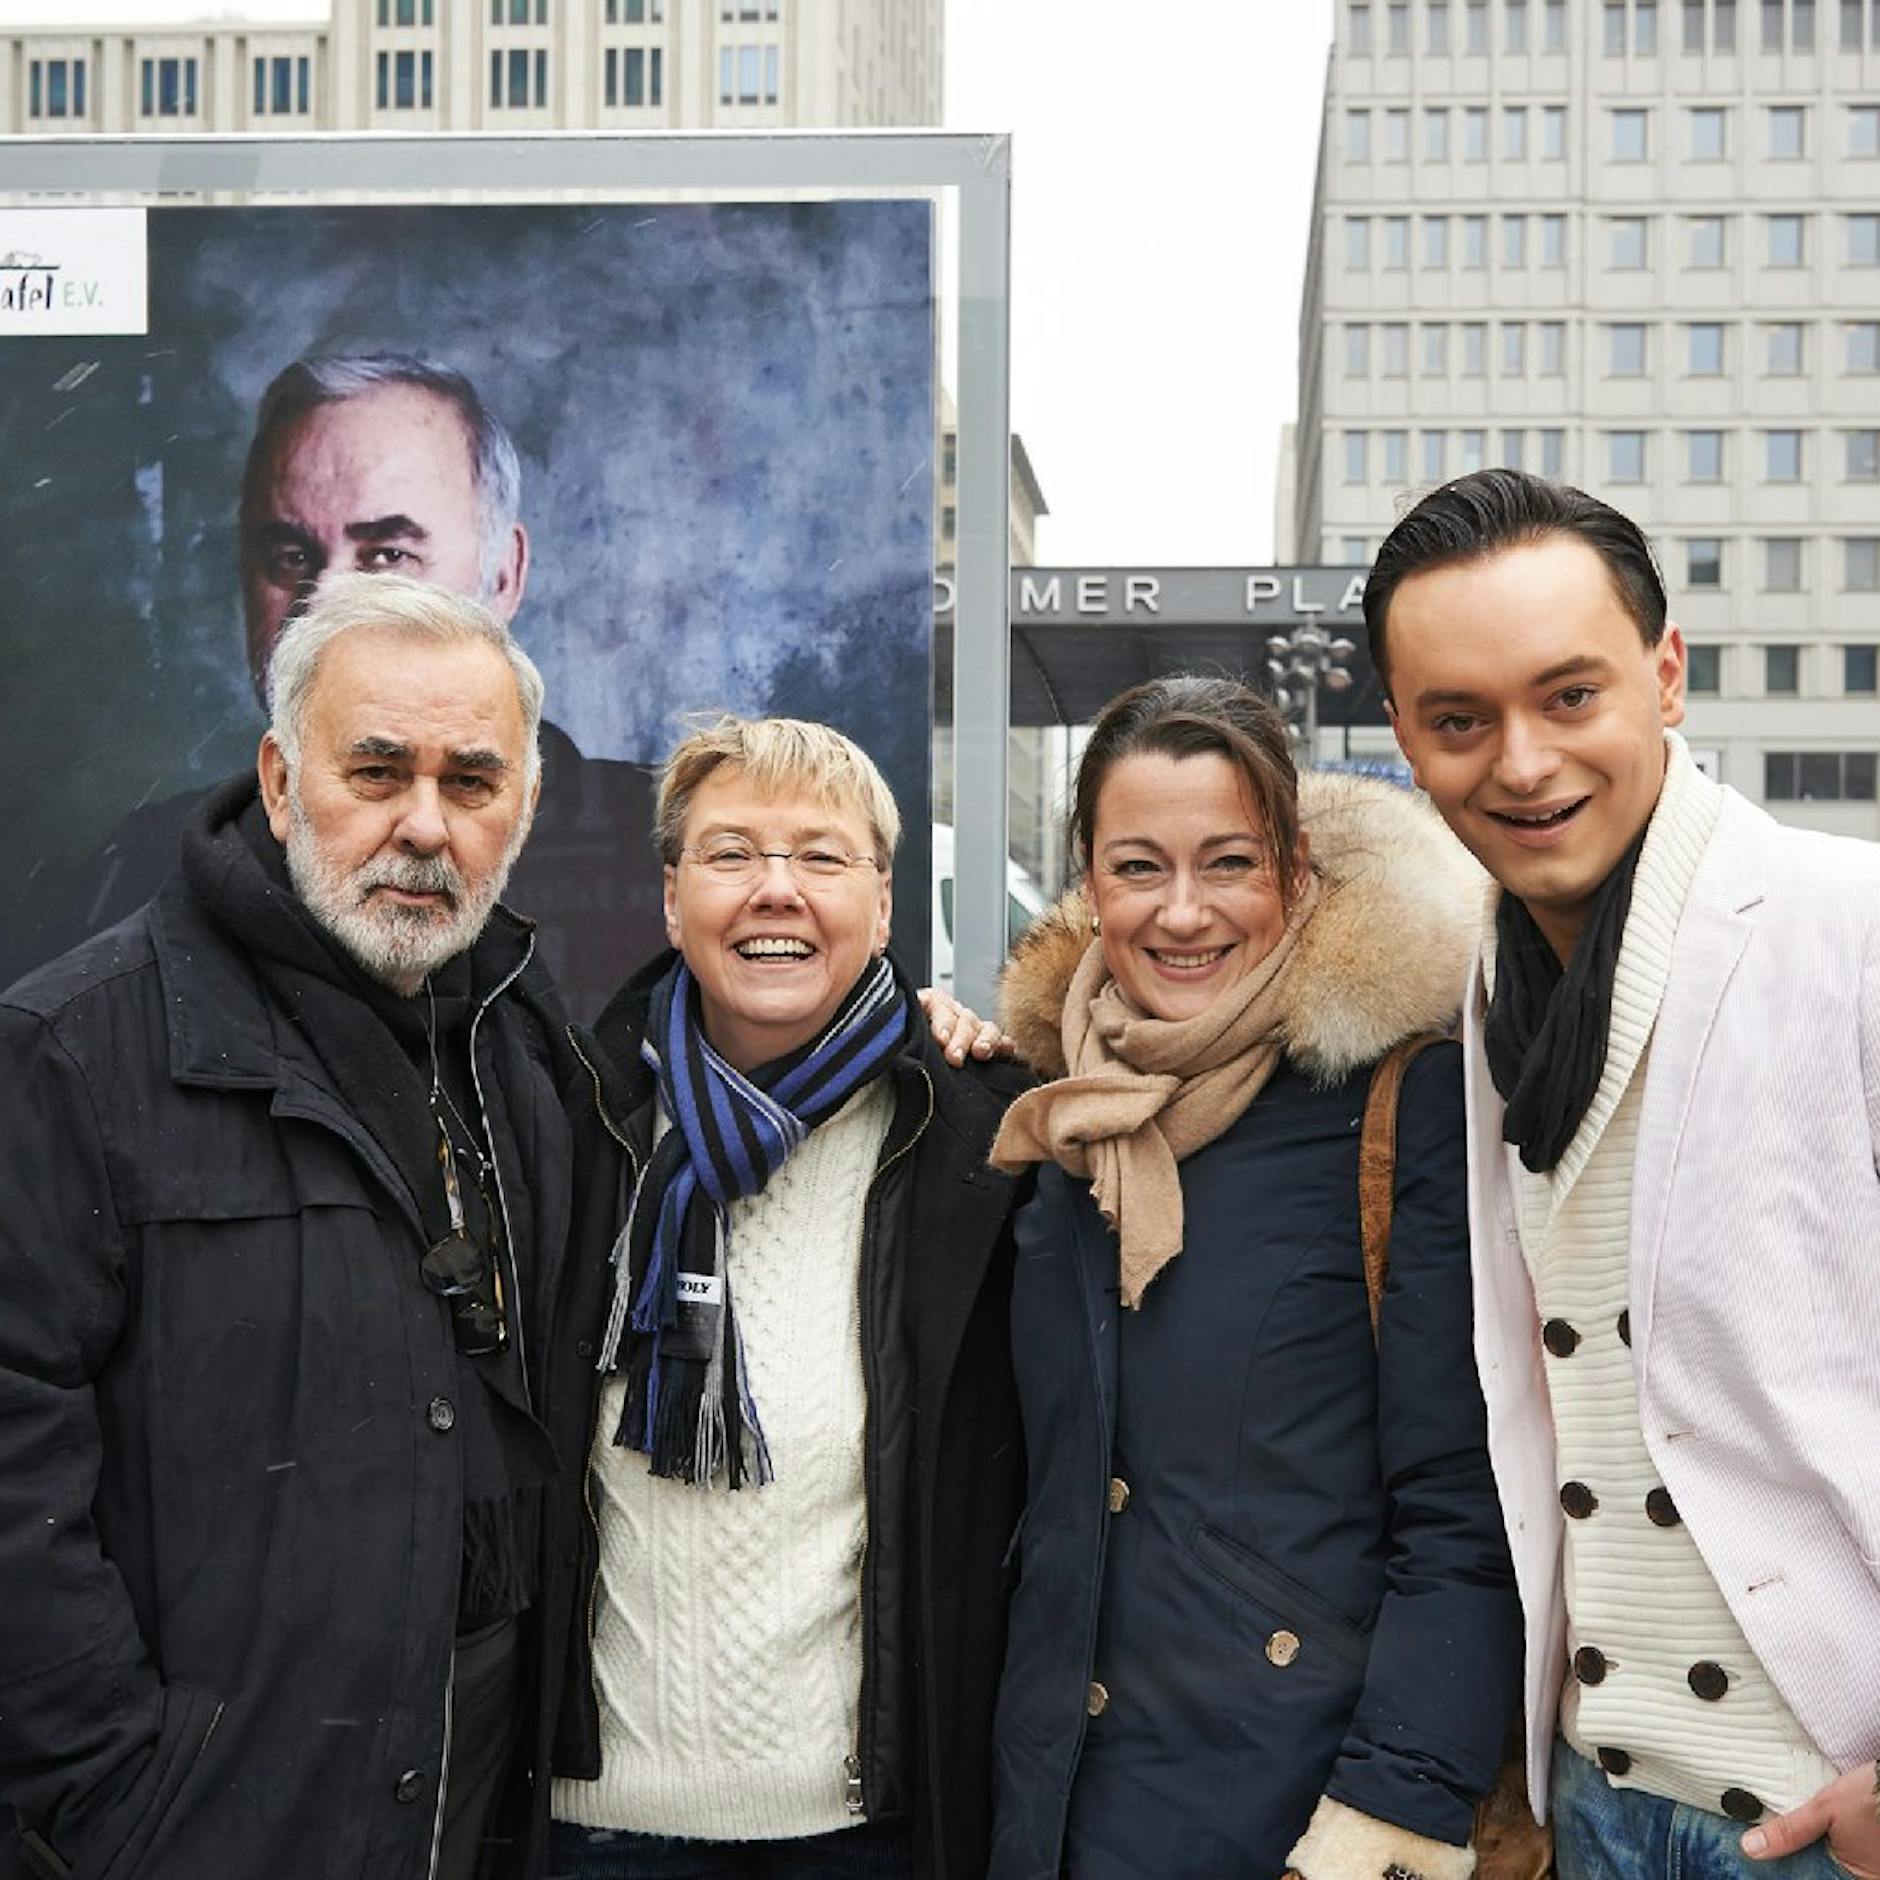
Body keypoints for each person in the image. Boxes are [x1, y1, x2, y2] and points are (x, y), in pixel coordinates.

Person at [0, 573, 582, 1880]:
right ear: (277, 781)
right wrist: (120, 1798)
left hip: (476, 1811)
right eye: (375, 771)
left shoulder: (533, 1051)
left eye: (471, 781)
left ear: (524, 804)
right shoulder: (72, 1055)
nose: (423, 826)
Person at [1367, 467, 1880, 1880]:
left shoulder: (1849, 929)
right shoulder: (1475, 997)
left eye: (1569, 696)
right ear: (1403, 736)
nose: (1521, 763)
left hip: (1825, 1808)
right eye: (1458, 720)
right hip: (1593, 1800)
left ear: (1667, 674)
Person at [985, 675, 1522, 1879]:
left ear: (1291, 866)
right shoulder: (1054, 1114)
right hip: (1058, 1803)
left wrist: (1395, 1800)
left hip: (1293, 1804)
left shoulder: (1399, 1100)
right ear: (1086, 876)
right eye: (1136, 866)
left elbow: (1465, 1508)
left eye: (1226, 861)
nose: (1181, 912)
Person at [540, 715, 1031, 1880]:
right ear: (670, 897)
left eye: (820, 856)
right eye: (730, 854)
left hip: (869, 1827)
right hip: (597, 1825)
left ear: (882, 899)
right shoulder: (565, 1121)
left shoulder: (981, 1140)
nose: (776, 891)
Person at [8, 353, 662, 1016]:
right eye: (291, 556)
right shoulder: (140, 871)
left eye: (387, 555)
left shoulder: (669, 850)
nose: (326, 605)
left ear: (505, 575)